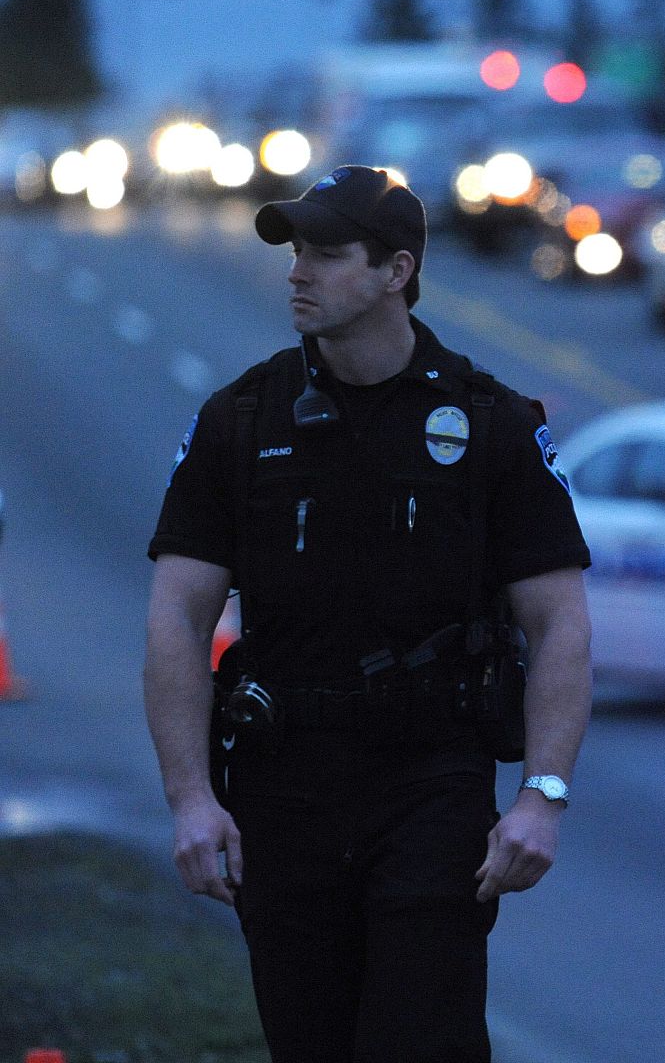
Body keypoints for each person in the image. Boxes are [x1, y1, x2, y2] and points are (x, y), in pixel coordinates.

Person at [143, 165, 593, 1062]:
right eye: (295, 252)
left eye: (326, 253)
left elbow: (560, 626)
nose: (298, 272)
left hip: (430, 787)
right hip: (284, 790)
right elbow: (177, 619)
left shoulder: (489, 425)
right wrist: (191, 801)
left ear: (397, 271)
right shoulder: (241, 419)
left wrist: (541, 796)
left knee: (419, 1041)